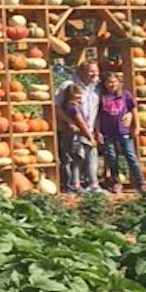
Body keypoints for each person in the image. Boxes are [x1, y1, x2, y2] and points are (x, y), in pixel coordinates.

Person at [97, 72, 146, 193]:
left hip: (123, 130)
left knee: (130, 156)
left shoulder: (125, 95)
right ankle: (116, 182)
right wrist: (98, 131)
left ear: (119, 83)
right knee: (111, 157)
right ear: (104, 84)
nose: (111, 84)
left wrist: (137, 126)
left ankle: (141, 183)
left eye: (114, 82)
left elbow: (133, 110)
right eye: (109, 82)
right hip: (107, 132)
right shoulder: (102, 97)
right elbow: (98, 116)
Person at [55, 60, 102, 193]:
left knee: (90, 155)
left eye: (96, 71)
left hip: (89, 128)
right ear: (81, 72)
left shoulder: (97, 86)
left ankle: (91, 184)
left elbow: (96, 111)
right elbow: (56, 107)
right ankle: (72, 185)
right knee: (73, 158)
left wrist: (96, 132)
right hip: (72, 130)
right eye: (91, 71)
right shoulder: (69, 86)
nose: (95, 74)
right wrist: (69, 122)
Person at [57, 84, 96, 193]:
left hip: (72, 136)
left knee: (74, 160)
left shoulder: (69, 106)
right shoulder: (73, 108)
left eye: (80, 96)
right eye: (77, 96)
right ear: (71, 96)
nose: (80, 98)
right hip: (75, 137)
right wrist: (90, 137)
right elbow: (81, 123)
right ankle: (75, 184)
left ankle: (74, 184)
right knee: (76, 160)